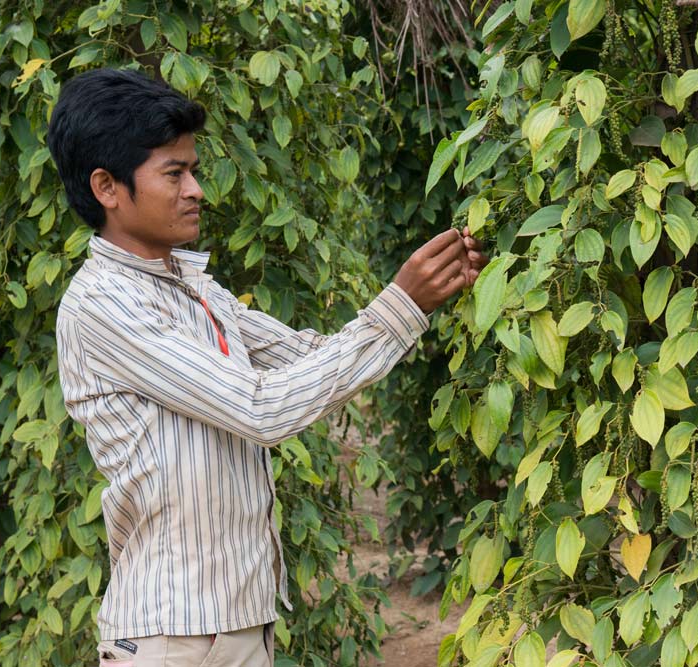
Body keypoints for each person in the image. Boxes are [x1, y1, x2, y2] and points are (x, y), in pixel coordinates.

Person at [47, 67, 488, 667]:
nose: (196, 189)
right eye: (174, 173)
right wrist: (401, 304)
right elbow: (262, 407)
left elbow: (309, 359)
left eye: (194, 170)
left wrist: (421, 297)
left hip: (236, 626)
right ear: (107, 187)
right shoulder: (103, 304)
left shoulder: (194, 290)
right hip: (170, 639)